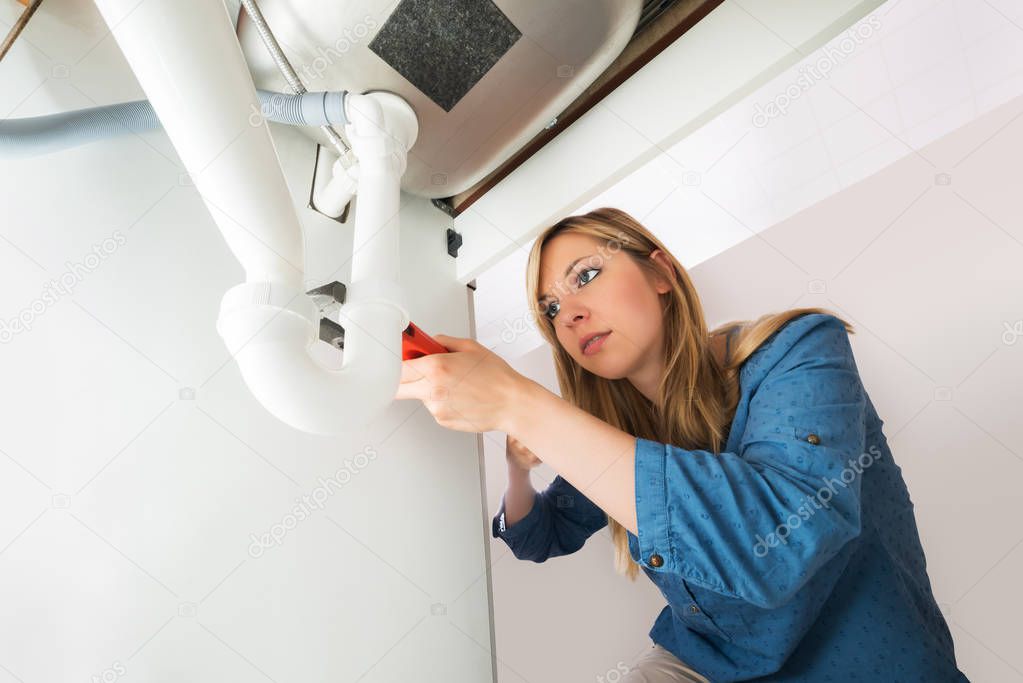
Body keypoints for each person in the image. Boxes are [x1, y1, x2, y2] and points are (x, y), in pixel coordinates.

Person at [395, 207, 969, 682]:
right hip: (704, 665)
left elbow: (773, 548)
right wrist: (516, 465)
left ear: (660, 273)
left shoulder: (797, 352)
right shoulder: (619, 436)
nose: (567, 313)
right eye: (549, 309)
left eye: (585, 276)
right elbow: (541, 536)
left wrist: (521, 404)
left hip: (857, 662)